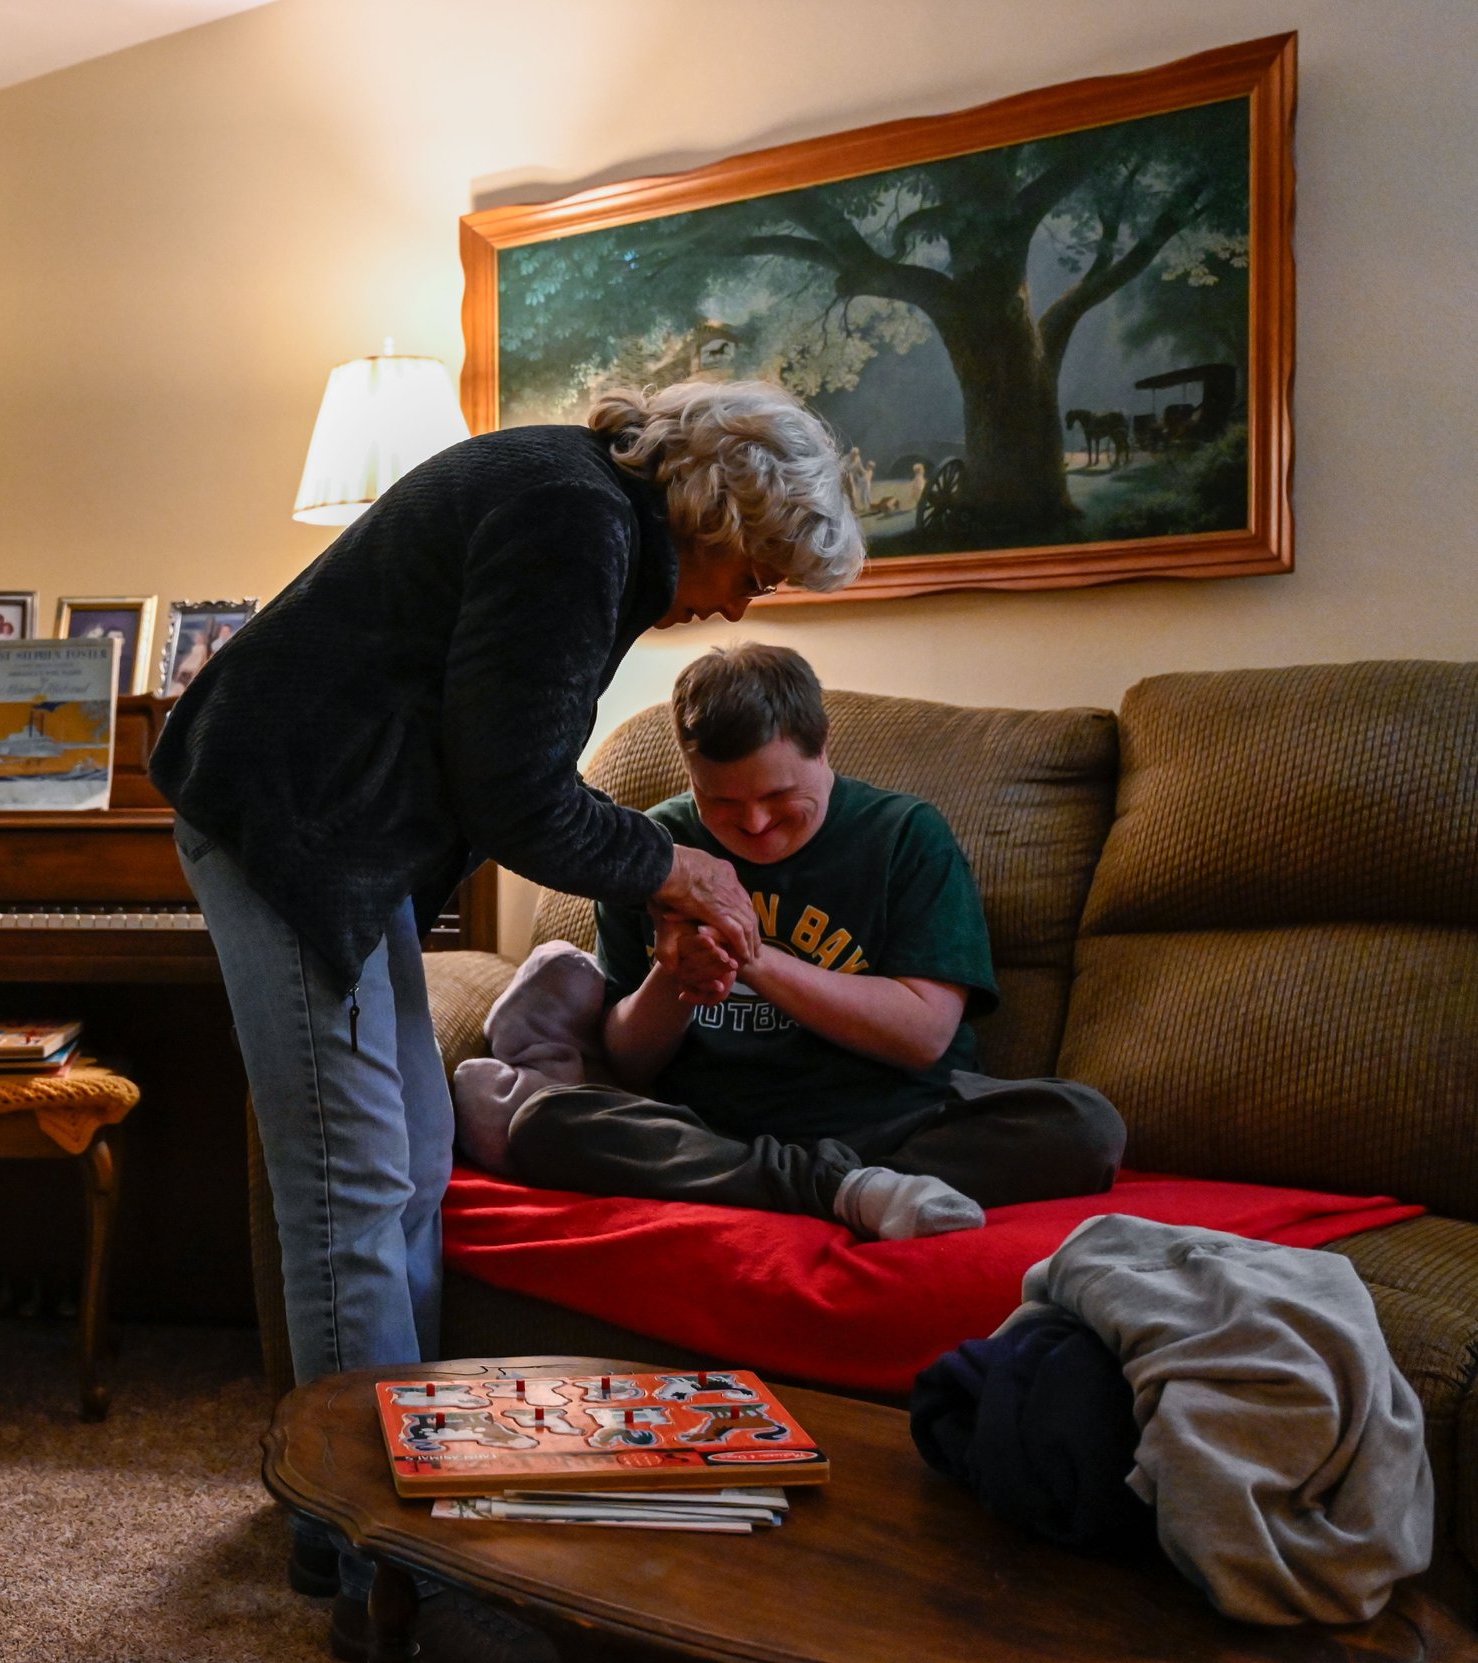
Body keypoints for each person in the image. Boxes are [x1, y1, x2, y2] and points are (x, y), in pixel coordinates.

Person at [149, 380, 866, 1650]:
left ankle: (426, 1496)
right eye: (753, 568)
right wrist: (673, 869)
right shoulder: (569, 517)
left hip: (351, 838)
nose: (741, 603)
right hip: (283, 820)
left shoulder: (592, 516)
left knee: (419, 1158)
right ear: (711, 506)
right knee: (355, 1186)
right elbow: (516, 792)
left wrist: (654, 874)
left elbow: (489, 773)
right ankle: (358, 1542)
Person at [497, 643, 1125, 1240]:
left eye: (778, 795)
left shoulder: (905, 835)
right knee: (545, 1125)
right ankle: (849, 1192)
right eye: (721, 802)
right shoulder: (656, 848)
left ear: (824, 748)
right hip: (718, 1131)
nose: (755, 823)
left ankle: (828, 1185)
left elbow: (923, 1036)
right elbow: (630, 1061)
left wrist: (757, 959)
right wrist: (673, 977)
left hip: (896, 1123)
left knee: (1083, 1127)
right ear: (690, 772)